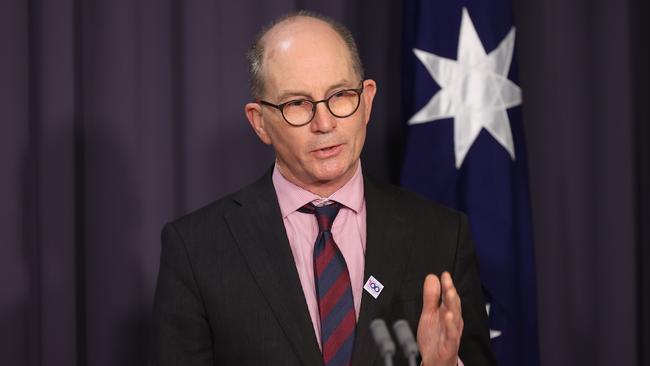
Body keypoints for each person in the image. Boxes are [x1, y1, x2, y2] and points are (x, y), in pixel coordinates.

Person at [150, 11, 496, 366]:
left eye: (341, 95)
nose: (325, 122)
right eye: (297, 103)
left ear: (367, 101)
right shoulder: (197, 249)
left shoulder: (441, 234)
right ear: (260, 122)